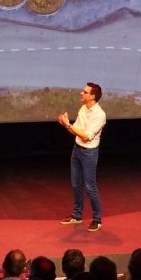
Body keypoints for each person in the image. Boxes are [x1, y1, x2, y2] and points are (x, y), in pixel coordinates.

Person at [57, 81, 105, 231]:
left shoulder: (100, 115)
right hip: (77, 149)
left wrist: (68, 125)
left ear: (92, 96)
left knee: (90, 187)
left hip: (89, 153)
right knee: (76, 184)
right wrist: (65, 124)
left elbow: (85, 137)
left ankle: (97, 220)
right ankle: (77, 216)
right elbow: (75, 131)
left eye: (85, 92)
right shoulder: (83, 108)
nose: (81, 93)